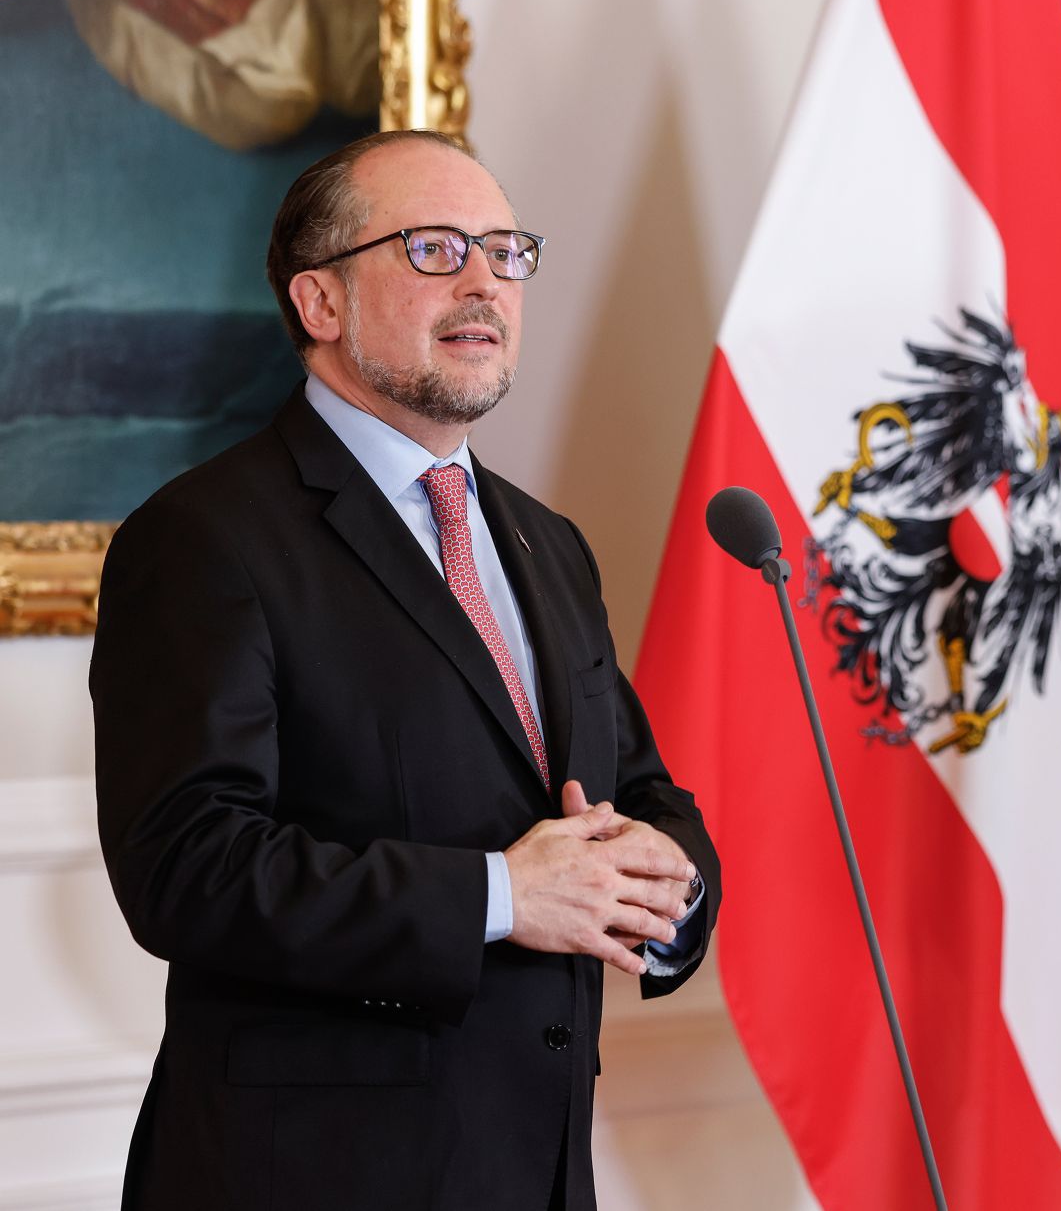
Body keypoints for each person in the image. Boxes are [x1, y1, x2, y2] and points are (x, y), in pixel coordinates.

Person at [90, 129, 718, 1211]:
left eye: (505, 250)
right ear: (318, 304)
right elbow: (185, 867)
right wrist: (499, 893)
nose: (484, 281)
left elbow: (637, 793)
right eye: (433, 249)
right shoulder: (203, 536)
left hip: (538, 1166)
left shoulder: (545, 541)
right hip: (313, 1174)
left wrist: (670, 881)